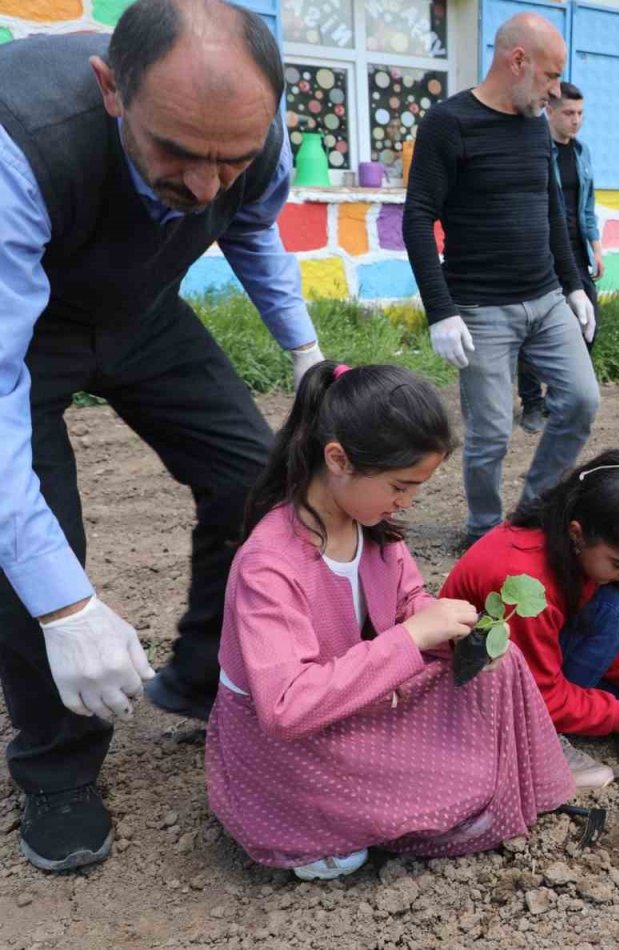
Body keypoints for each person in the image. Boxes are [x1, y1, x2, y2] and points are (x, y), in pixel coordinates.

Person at [0, 0, 326, 872]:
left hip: (142, 313)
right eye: (177, 154)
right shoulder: (23, 140)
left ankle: (200, 674)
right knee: (36, 548)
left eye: (234, 159)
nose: (208, 186)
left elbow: (252, 230)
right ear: (113, 90)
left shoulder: (249, 125)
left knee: (257, 478)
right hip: (24, 334)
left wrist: (305, 354)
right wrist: (66, 605)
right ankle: (55, 767)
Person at [205, 362, 573, 880]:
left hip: (350, 697)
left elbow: (408, 600)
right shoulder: (270, 563)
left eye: (416, 487)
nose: (408, 501)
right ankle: (339, 820)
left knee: (498, 659)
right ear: (338, 459)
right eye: (400, 486)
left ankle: (487, 781)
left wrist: (441, 626)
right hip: (290, 746)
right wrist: (410, 638)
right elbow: (286, 709)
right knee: (373, 828)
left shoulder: (374, 526)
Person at [403, 12, 599, 549]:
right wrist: (440, 310)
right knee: (489, 435)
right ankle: (485, 532)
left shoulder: (536, 125)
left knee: (581, 401)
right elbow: (417, 216)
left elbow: (552, 209)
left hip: (546, 298)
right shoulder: (449, 123)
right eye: (550, 77)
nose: (556, 92)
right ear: (518, 61)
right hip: (480, 309)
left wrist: (574, 283)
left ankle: (533, 508)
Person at [441, 448, 619, 790]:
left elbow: (585, 624)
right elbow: (541, 691)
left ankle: (562, 721)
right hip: (470, 693)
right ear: (578, 533)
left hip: (532, 657)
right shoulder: (529, 583)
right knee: (618, 636)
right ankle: (535, 741)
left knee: (616, 622)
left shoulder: (567, 547)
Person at [516, 81, 603, 435]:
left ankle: (560, 397)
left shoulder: (581, 153)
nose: (576, 120)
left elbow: (589, 206)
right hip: (539, 253)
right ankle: (533, 403)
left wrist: (596, 247)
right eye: (569, 113)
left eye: (580, 113)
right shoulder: (534, 150)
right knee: (530, 330)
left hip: (574, 252)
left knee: (588, 322)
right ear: (549, 111)